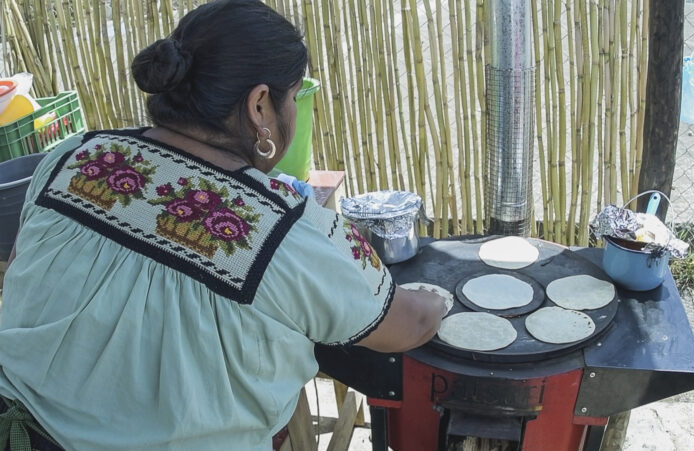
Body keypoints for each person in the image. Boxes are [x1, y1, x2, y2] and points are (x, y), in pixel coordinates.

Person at [0, 1, 445, 449]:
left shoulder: (75, 156)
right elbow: (406, 326)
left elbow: (23, 269)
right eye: (290, 98)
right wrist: (435, 302)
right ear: (259, 105)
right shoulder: (286, 229)